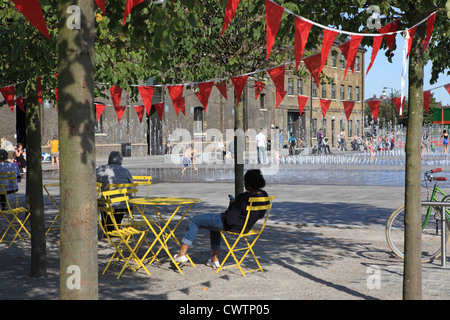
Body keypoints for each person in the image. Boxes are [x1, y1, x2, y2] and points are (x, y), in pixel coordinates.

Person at [173, 169, 269, 268]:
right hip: (246, 228)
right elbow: (260, 215)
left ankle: (181, 254)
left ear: (248, 184)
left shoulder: (243, 197)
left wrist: (232, 205)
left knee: (195, 220)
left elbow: (229, 220)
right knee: (213, 226)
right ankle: (215, 259)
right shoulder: (264, 195)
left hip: (231, 225)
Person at [96, 151, 133, 230]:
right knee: (117, 206)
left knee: (102, 201)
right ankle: (115, 228)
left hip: (108, 205)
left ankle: (108, 229)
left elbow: (90, 178)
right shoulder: (126, 171)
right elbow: (131, 186)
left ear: (109, 159)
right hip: (125, 205)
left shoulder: (102, 169)